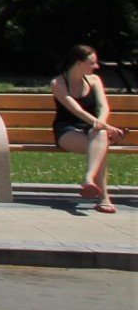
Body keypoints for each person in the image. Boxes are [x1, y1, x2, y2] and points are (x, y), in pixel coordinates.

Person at [53, 44, 125, 212]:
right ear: (78, 63)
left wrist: (101, 124)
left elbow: (104, 107)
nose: (97, 66)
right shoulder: (57, 83)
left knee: (99, 138)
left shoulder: (94, 80)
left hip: (92, 128)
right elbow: (76, 110)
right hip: (67, 130)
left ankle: (88, 178)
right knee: (99, 147)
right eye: (92, 63)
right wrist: (106, 127)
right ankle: (104, 197)